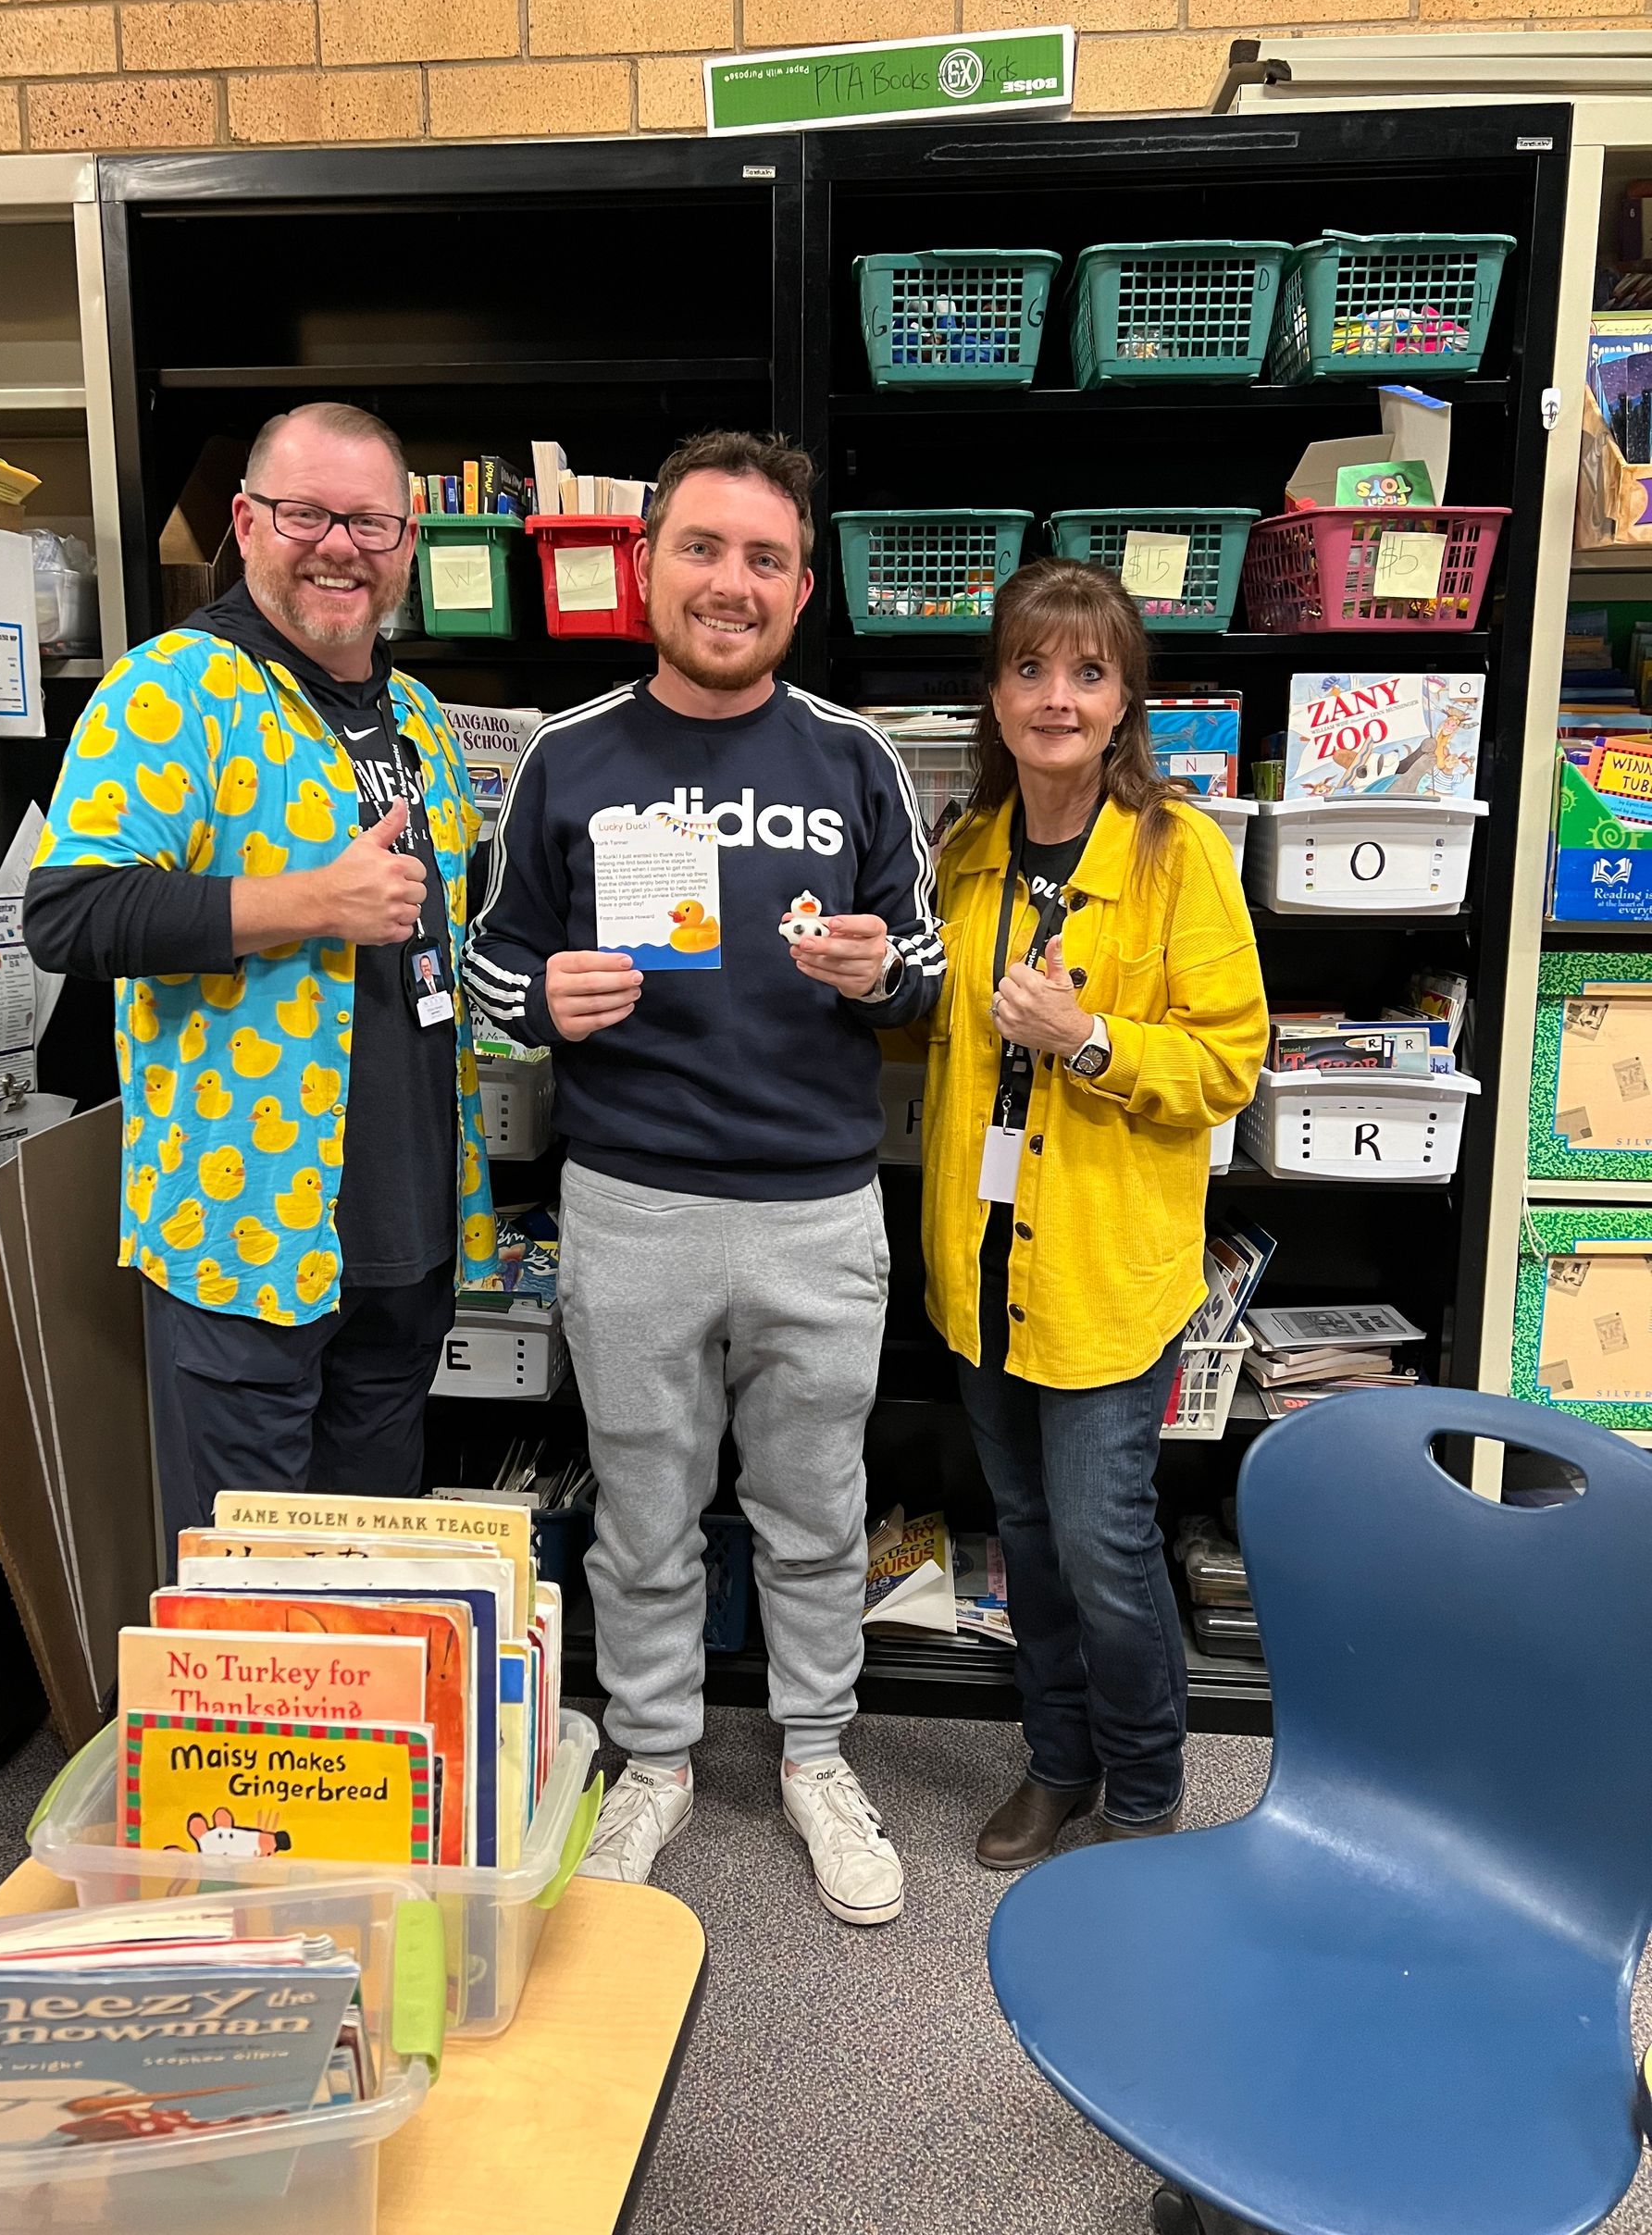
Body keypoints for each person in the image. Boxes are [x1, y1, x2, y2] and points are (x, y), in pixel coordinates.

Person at [466, 429, 943, 1924]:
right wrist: (544, 1005)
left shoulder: (857, 762)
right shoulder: (570, 753)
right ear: (648, 564)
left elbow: (927, 966)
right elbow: (484, 970)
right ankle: (659, 1761)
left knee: (815, 1509)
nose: (730, 584)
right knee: (646, 1513)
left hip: (817, 1210)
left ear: (802, 589)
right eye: (702, 549)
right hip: (634, 1207)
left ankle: (814, 1757)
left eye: (765, 560)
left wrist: (884, 972)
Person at [25, 401, 502, 1551]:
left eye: (371, 522)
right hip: (249, 1243)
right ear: (245, 523)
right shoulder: (172, 691)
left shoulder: (421, 716)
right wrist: (308, 905)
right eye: (306, 513)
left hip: (405, 1234)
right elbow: (68, 911)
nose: (340, 544)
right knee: (254, 1593)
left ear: (407, 546)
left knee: (370, 1584)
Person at [918, 559, 1267, 1861]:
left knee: (1105, 1545)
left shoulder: (1184, 857)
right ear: (994, 696)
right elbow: (940, 1043)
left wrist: (1093, 1038)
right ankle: (1055, 1761)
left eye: (1087, 672)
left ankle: (1142, 1791)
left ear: (1127, 702)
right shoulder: (966, 854)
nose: (1055, 697)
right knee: (1025, 1539)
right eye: (1028, 669)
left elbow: (1229, 1063)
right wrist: (857, 986)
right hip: (982, 1261)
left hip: (1107, 1276)